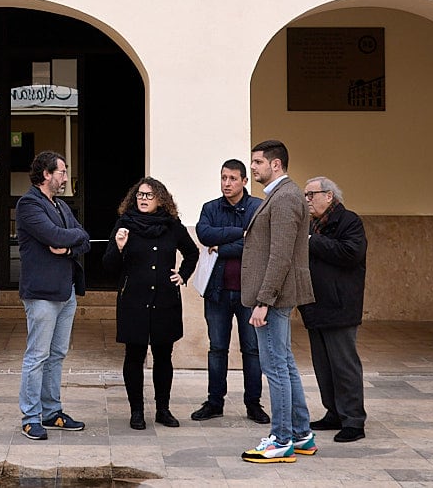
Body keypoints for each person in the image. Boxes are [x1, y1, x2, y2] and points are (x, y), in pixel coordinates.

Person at [240, 139, 317, 464]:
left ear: (275, 164)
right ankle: (301, 434)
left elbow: (281, 255)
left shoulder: (284, 198)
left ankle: (281, 438)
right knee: (284, 364)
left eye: (257, 162)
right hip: (275, 296)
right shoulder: (281, 196)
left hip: (273, 297)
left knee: (275, 368)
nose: (253, 167)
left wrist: (264, 300)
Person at [103, 176, 198, 431]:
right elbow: (108, 265)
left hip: (164, 300)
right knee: (133, 356)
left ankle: (162, 409)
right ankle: (136, 412)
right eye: (140, 195)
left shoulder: (172, 225)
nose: (143, 199)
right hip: (133, 300)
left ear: (160, 199)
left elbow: (192, 252)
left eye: (149, 195)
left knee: (163, 356)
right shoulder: (125, 224)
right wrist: (119, 246)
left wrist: (183, 274)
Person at [14, 150, 92, 440]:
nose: (65, 177)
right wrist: (69, 238)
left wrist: (71, 246)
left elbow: (83, 236)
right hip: (42, 293)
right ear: (46, 174)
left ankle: (52, 412)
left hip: (66, 290)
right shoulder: (28, 205)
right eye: (61, 172)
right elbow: (55, 236)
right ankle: (30, 417)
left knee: (57, 354)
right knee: (37, 355)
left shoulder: (60, 205)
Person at [192, 159, 269, 424]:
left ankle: (253, 404)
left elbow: (257, 244)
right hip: (218, 292)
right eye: (223, 178)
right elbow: (204, 235)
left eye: (233, 178)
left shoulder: (258, 208)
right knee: (217, 349)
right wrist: (239, 233)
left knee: (252, 350)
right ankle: (214, 402)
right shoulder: (210, 208)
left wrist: (222, 247)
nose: (227, 183)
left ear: (245, 181)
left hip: (249, 293)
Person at [300, 176, 368, 443]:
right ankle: (334, 412)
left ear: (329, 196)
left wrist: (310, 241)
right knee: (323, 365)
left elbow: (351, 253)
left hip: (340, 306)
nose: (307, 200)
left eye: (311, 195)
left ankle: (353, 420)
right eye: (305, 196)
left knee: (344, 365)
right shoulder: (310, 225)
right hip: (315, 305)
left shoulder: (349, 221)